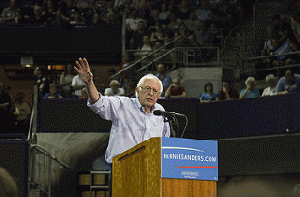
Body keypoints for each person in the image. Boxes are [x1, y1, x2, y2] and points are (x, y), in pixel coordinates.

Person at [74, 57, 170, 165]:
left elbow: (165, 142)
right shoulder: (122, 104)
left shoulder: (160, 111)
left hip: (150, 168)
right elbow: (99, 103)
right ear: (138, 90)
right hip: (122, 167)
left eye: (155, 91)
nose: (151, 94)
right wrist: (89, 83)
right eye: (147, 89)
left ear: (159, 95)